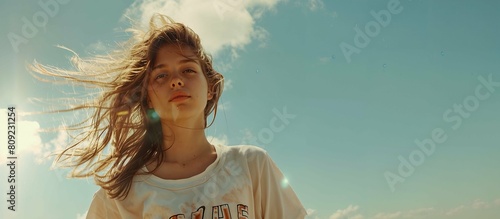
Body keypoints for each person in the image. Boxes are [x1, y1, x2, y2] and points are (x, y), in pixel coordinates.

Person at [30, 14, 306, 218]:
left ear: (210, 88)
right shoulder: (119, 196)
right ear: (147, 97)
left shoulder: (250, 165)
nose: (176, 81)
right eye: (161, 75)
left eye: (187, 70)